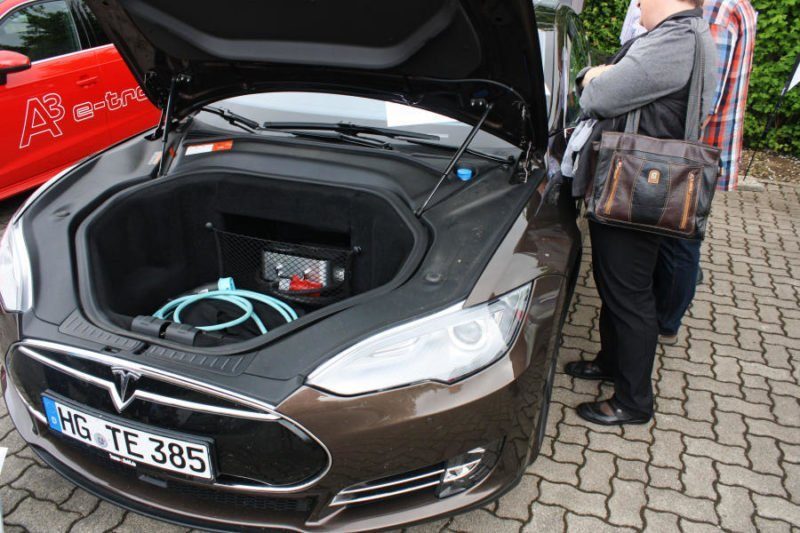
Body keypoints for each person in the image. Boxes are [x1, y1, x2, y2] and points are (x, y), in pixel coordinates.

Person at [564, 0, 718, 425]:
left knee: (629, 294)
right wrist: (605, 74)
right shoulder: (684, 35)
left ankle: (633, 403)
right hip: (636, 185)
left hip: (636, 189)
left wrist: (594, 75)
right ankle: (610, 362)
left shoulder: (675, 41)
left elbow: (597, 96)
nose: (637, 4)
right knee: (617, 285)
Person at [653, 0, 757, 345]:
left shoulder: (717, 9)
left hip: (693, 149)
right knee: (682, 236)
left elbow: (702, 96)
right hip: (703, 148)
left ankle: (664, 322)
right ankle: (665, 316)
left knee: (679, 240)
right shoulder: (736, 5)